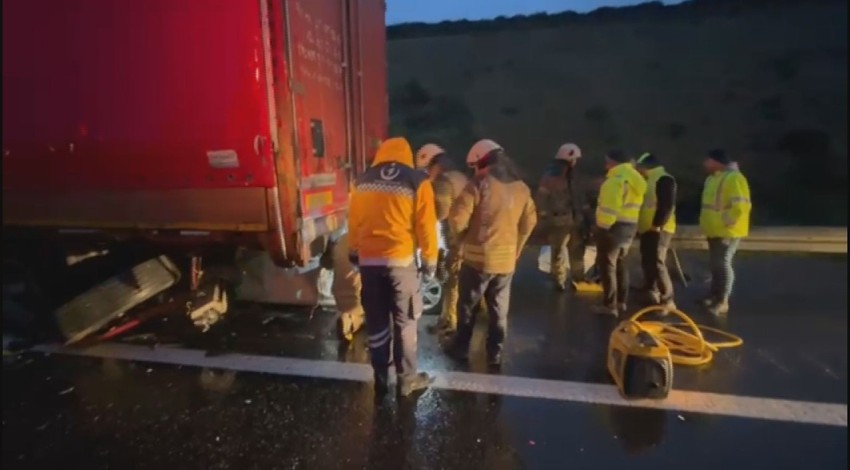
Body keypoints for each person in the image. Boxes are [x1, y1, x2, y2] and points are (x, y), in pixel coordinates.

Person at [348, 137, 439, 397]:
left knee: (376, 321)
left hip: (369, 263)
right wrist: (430, 261)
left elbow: (354, 221)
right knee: (405, 321)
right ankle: (406, 379)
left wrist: (355, 252)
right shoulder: (417, 181)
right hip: (401, 263)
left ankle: (379, 378)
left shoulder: (362, 180)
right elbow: (426, 226)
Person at [446, 139, 537, 366]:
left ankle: (461, 349)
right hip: (506, 263)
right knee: (499, 310)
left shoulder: (479, 184)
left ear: (480, 162)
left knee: (467, 307)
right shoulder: (522, 188)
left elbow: (457, 219)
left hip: (477, 261)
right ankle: (494, 353)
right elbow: (530, 222)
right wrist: (517, 248)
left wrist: (462, 239)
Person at [415, 143, 469, 336]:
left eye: (426, 169)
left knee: (452, 281)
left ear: (433, 165)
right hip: (469, 238)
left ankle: (449, 323)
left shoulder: (444, 181)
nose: (426, 175)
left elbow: (441, 212)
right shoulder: (459, 176)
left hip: (459, 240)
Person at [699, 149, 752, 316]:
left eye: (708, 160)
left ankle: (722, 301)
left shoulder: (734, 178)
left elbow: (741, 205)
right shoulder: (713, 179)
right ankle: (713, 296)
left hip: (727, 230)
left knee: (722, 263)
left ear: (717, 161)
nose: (705, 164)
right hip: (714, 229)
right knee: (715, 264)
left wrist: (727, 221)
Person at [594, 150, 647, 316]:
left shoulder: (614, 182)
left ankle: (610, 306)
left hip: (613, 228)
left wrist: (602, 228)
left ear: (613, 162)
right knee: (621, 264)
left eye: (607, 161)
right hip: (630, 227)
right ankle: (622, 302)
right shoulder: (635, 180)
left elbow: (609, 210)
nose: (605, 164)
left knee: (608, 266)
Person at [536, 143, 588, 291]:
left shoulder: (567, 176)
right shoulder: (554, 177)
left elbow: (580, 197)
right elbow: (542, 198)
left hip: (570, 219)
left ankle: (572, 278)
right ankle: (565, 279)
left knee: (569, 251)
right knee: (563, 251)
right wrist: (544, 216)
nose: (575, 162)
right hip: (563, 219)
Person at [635, 152, 677, 313]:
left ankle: (668, 299)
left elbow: (666, 205)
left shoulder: (664, 179)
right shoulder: (648, 180)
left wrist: (657, 224)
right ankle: (651, 292)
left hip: (659, 229)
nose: (638, 170)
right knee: (648, 261)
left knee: (658, 263)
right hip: (647, 228)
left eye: (639, 167)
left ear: (646, 166)